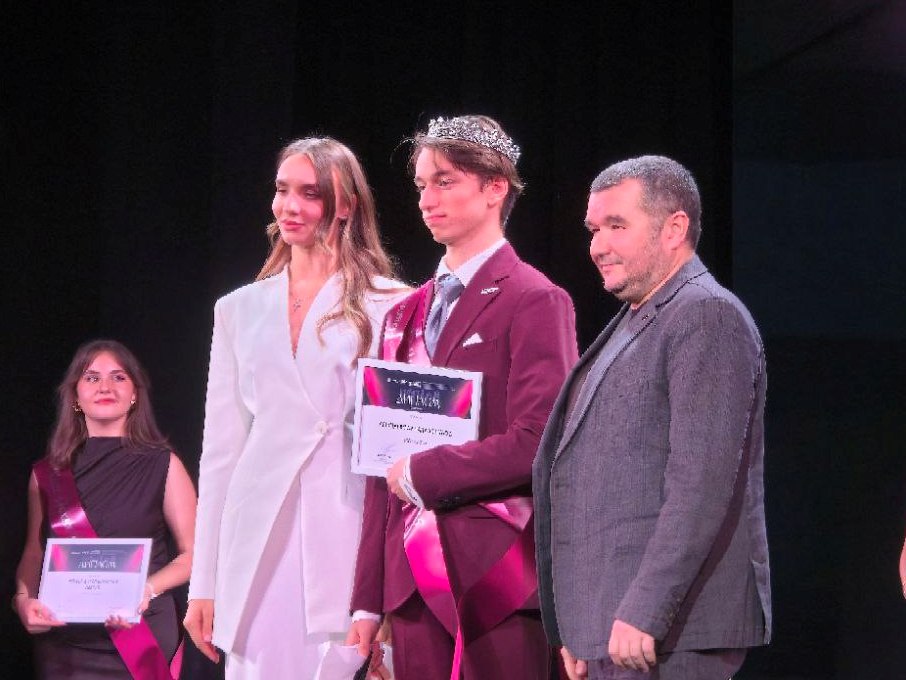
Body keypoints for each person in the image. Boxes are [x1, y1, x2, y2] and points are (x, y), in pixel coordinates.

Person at [347, 115, 578, 679]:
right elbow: (380, 461)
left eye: (445, 181)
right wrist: (367, 600)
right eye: (422, 184)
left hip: (496, 577)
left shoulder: (535, 298)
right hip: (409, 585)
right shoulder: (401, 315)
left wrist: (425, 472)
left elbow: (539, 442)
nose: (427, 199)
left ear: (495, 188)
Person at [533, 155, 772, 679]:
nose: (598, 246)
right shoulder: (639, 317)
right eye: (594, 229)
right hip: (616, 630)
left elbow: (701, 484)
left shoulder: (706, 315)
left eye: (617, 226)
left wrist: (645, 609)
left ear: (674, 229)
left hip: (669, 632)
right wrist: (581, 625)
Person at [184, 136, 407, 678]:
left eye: (310, 193)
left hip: (345, 530)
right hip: (256, 540)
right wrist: (203, 583)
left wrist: (392, 589)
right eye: (283, 190)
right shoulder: (239, 309)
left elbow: (402, 447)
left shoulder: (391, 304)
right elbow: (220, 454)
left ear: (346, 204)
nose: (290, 206)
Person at [14, 339, 197, 679]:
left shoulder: (165, 464)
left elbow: (195, 554)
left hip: (141, 633)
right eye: (92, 377)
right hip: (66, 644)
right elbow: (34, 552)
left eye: (119, 377)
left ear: (134, 394)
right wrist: (23, 599)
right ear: (75, 396)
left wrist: (146, 590)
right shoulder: (46, 474)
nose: (105, 386)